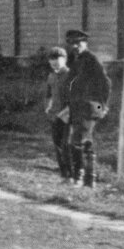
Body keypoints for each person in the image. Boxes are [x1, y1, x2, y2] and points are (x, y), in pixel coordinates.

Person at [65, 29, 112, 188]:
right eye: (72, 44)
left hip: (90, 106)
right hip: (77, 106)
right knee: (87, 142)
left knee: (76, 140)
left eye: (78, 43)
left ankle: (79, 176)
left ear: (85, 43)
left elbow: (106, 84)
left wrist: (102, 106)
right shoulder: (76, 60)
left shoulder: (92, 59)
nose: (75, 46)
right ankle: (90, 180)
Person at [44, 46, 74, 182]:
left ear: (65, 60)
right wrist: (48, 107)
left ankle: (73, 175)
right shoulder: (51, 76)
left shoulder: (71, 75)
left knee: (66, 145)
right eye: (52, 59)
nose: (55, 62)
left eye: (58, 59)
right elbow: (48, 94)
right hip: (55, 116)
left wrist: (66, 112)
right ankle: (64, 175)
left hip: (69, 116)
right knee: (57, 145)